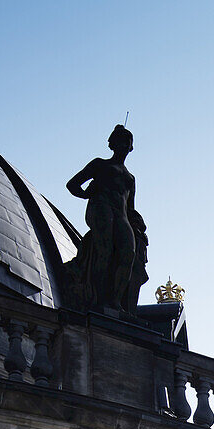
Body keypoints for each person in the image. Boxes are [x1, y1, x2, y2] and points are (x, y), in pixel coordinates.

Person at [64, 125, 148, 313]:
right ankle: (98, 298)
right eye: (121, 141)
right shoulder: (100, 165)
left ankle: (115, 301)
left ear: (131, 147)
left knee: (128, 254)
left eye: (128, 142)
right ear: (112, 144)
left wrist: (137, 223)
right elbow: (72, 184)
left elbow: (130, 207)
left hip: (121, 214)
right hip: (101, 208)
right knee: (105, 250)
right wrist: (87, 195)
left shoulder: (130, 178)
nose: (125, 145)